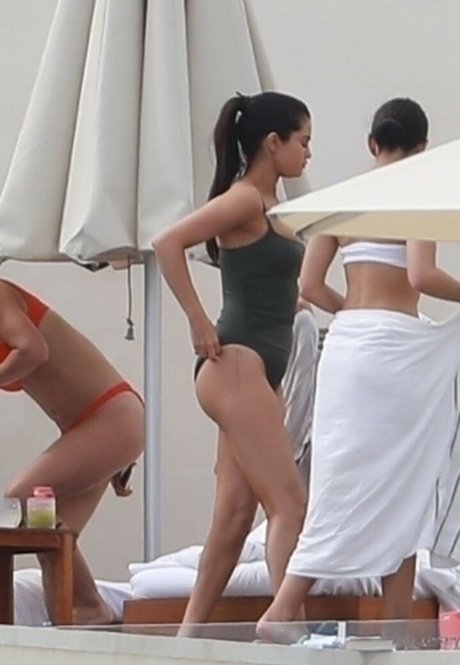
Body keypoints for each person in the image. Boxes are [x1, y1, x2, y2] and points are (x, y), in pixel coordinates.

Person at [257, 97, 460, 638]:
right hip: (395, 352)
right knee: (405, 487)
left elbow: (308, 285)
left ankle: (290, 610)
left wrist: (353, 311)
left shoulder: (345, 199)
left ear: (372, 143)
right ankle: (385, 631)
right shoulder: (416, 193)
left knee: (339, 484)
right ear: (423, 148)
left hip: (347, 348)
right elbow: (421, 276)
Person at [152, 91, 312, 626]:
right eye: (303, 141)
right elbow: (168, 243)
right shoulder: (245, 199)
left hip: (256, 370)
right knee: (289, 505)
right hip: (236, 363)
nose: (308, 152)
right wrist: (198, 321)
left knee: (234, 517)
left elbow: (269, 282)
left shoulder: (270, 206)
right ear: (273, 143)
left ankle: (188, 639)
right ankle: (287, 628)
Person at [0, 278, 144, 624]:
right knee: (52, 544)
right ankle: (79, 618)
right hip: (96, 427)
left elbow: (34, 350)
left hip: (109, 418)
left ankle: (89, 607)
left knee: (20, 502)